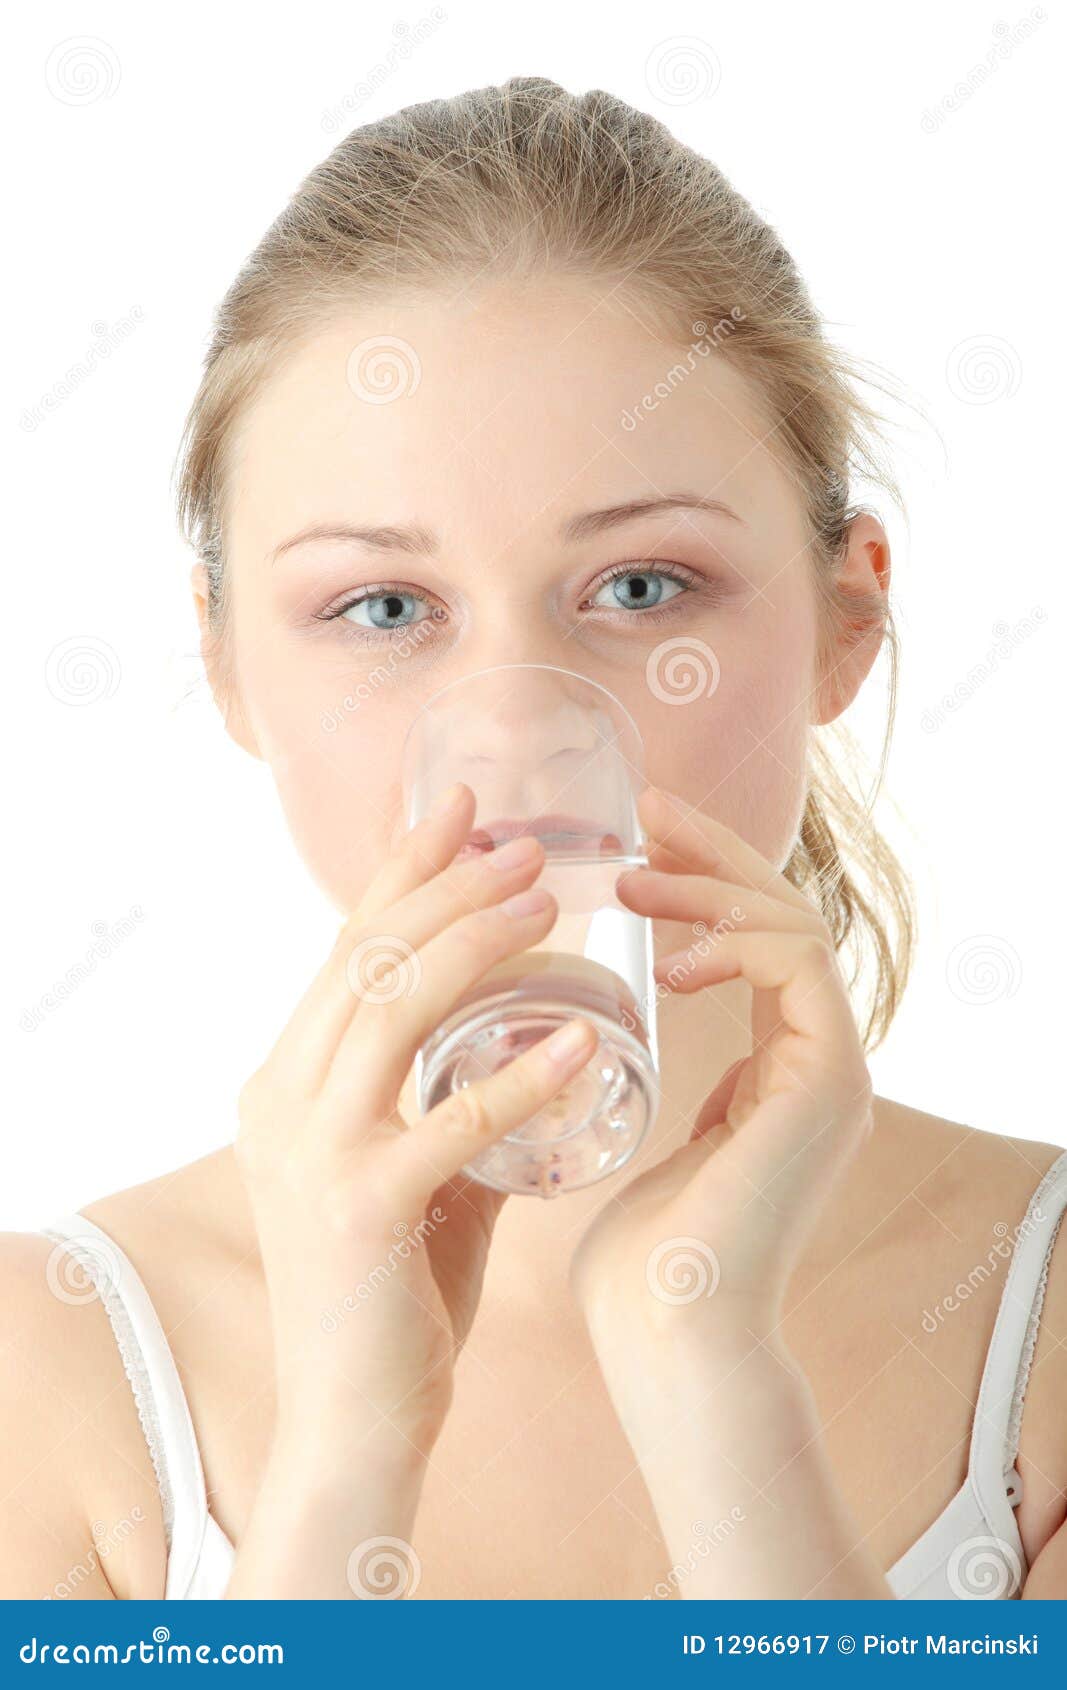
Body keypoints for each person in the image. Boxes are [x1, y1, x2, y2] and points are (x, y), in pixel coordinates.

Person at [5, 77, 1065, 1602]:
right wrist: (346, 1449)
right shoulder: (50, 1367)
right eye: (384, 607)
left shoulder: (1048, 1331)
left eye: (641, 588)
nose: (511, 729)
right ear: (229, 659)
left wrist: (713, 1381)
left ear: (849, 615)